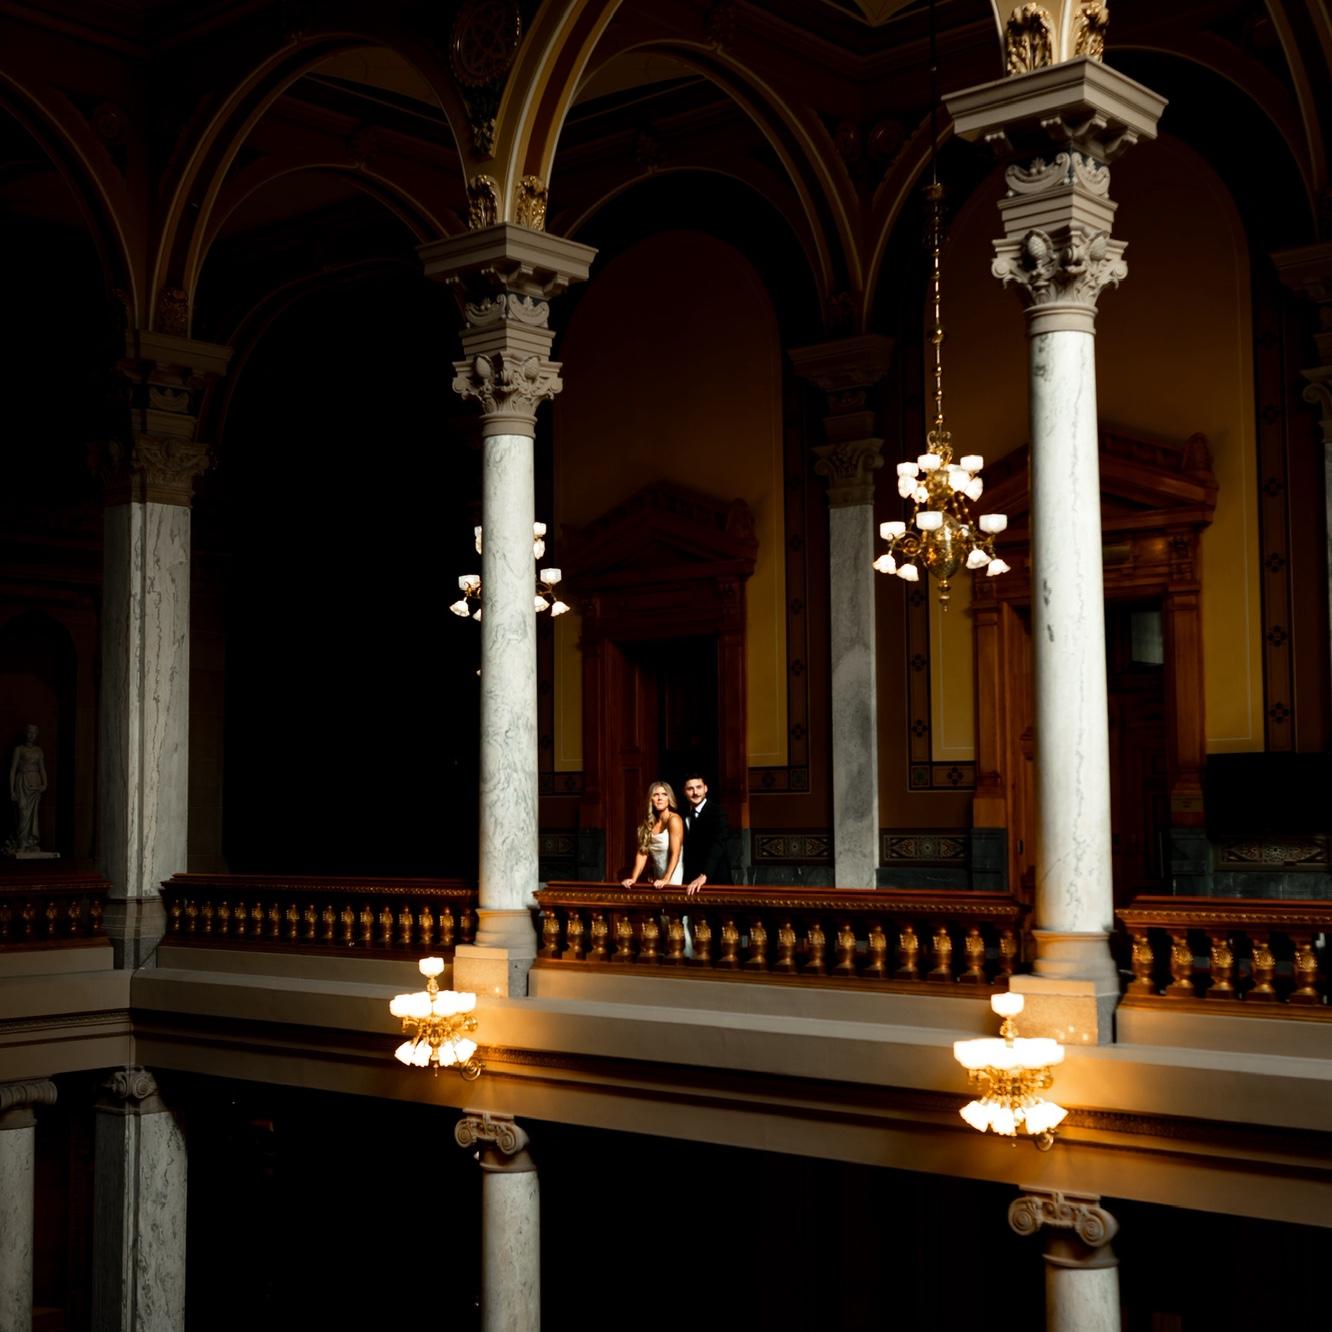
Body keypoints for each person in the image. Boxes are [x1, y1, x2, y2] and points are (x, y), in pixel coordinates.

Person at [621, 781, 684, 888]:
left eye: (664, 794)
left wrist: (666, 879)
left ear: (669, 798)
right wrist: (633, 878)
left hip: (673, 875)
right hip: (658, 876)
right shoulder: (649, 823)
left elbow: (675, 853)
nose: (660, 798)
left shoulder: (674, 820)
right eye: (656, 795)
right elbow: (642, 853)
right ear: (651, 799)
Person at [681, 772, 729, 896]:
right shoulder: (682, 814)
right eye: (690, 789)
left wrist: (704, 875)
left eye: (699, 787)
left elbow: (718, 845)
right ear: (684, 792)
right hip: (689, 880)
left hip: (715, 878)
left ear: (705, 788)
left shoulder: (718, 812)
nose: (695, 792)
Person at [8, 724, 48, 852]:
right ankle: (22, 842)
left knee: (33, 814)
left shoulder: (39, 751)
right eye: (29, 732)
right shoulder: (19, 749)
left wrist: (45, 784)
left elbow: (42, 769)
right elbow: (13, 770)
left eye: (34, 733)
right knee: (23, 812)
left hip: (35, 784)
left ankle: (32, 841)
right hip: (22, 783)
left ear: (37, 734)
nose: (31, 735)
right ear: (26, 733)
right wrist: (12, 791)